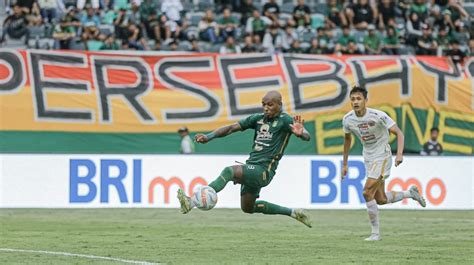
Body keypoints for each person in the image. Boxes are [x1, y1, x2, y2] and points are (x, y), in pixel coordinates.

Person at [177, 91, 312, 228]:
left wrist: (302, 134)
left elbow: (306, 135)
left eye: (270, 105)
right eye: (264, 104)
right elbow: (231, 128)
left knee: (229, 171)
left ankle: (192, 201)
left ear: (279, 104)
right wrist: (208, 137)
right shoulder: (258, 119)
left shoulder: (285, 120)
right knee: (248, 208)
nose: (266, 108)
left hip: (264, 170)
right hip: (252, 167)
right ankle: (294, 213)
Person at [341, 86, 426, 241]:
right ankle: (410, 194)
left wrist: (399, 154)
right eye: (353, 99)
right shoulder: (348, 119)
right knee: (380, 199)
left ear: (366, 101)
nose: (355, 102)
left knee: (367, 192)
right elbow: (347, 140)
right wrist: (344, 164)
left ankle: (375, 234)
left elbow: (399, 133)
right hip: (368, 157)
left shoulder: (378, 116)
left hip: (383, 156)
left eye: (359, 99)